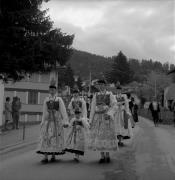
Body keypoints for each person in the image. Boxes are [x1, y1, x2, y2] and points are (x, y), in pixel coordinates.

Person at [36, 79, 69, 164]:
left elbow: (63, 111)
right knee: (46, 137)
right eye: (50, 90)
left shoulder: (59, 99)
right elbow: (44, 111)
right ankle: (45, 156)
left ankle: (53, 155)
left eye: (53, 90)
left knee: (54, 138)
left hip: (57, 122)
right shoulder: (46, 99)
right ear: (49, 90)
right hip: (48, 122)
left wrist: (65, 121)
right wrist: (42, 121)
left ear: (56, 90)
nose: (52, 91)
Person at [89, 79, 118, 163]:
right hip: (98, 118)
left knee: (107, 136)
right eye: (99, 85)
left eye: (102, 84)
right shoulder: (96, 95)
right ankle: (102, 156)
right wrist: (90, 120)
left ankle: (107, 155)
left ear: (105, 85)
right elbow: (92, 108)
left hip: (106, 118)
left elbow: (115, 105)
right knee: (99, 137)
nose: (100, 86)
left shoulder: (110, 94)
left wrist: (109, 113)